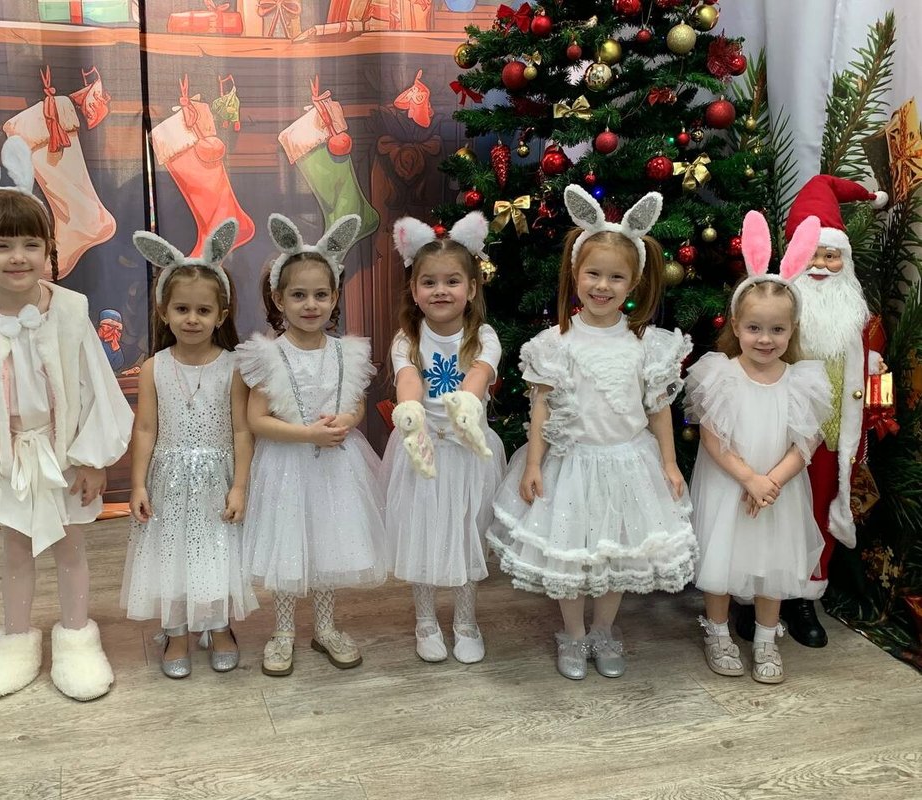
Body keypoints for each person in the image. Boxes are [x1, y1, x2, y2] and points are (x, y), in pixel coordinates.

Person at [0, 135, 132, 702]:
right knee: (16, 550)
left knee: (71, 547)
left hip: (63, 452)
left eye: (29, 244)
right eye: (1, 245)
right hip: (11, 456)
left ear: (48, 249)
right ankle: (15, 642)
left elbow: (95, 386)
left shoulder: (70, 311)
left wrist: (93, 458)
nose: (17, 257)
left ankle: (77, 638)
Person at [487, 185, 695, 681]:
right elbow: (541, 407)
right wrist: (533, 464)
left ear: (634, 282)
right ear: (575, 274)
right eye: (593, 274)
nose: (603, 286)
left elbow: (659, 410)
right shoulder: (554, 343)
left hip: (628, 464)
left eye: (616, 277)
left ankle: (603, 630)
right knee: (572, 557)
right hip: (571, 465)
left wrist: (669, 463)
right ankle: (574, 634)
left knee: (615, 554)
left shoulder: (647, 345)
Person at [737, 175, 890, 648]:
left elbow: (873, 373)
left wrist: (879, 399)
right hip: (776, 433)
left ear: (846, 261)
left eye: (832, 256)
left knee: (818, 513)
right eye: (816, 255)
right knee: (766, 510)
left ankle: (804, 596)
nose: (822, 265)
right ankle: (754, 595)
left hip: (829, 438)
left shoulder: (859, 318)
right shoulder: (780, 311)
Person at [237, 213, 385, 677]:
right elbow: (256, 420)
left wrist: (347, 420)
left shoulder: (347, 352)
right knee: (288, 547)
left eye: (321, 294)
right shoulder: (268, 355)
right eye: (298, 295)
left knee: (328, 546)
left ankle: (325, 626)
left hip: (336, 467)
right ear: (279, 299)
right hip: (286, 467)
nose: (310, 304)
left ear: (335, 297)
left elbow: (356, 404)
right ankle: (283, 631)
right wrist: (309, 434)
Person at [688, 211, 832, 684]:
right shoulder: (719, 375)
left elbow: (806, 441)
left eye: (777, 330)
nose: (765, 339)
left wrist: (771, 482)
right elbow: (712, 437)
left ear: (792, 330)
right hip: (730, 483)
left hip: (777, 490)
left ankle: (767, 639)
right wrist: (749, 478)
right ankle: (717, 631)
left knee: (774, 560)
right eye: (754, 328)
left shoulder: (802, 381)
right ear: (736, 324)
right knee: (721, 557)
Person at [121, 220, 258, 678]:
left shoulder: (234, 367)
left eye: (203, 310)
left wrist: (240, 486)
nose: (192, 319)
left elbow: (242, 431)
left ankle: (218, 626)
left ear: (221, 314)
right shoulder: (154, 367)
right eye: (182, 309)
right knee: (171, 556)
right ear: (164, 311)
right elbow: (145, 429)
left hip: (218, 479)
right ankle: (176, 631)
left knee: (215, 554)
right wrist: (138, 484)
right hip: (168, 481)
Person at [382, 212, 507, 664]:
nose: (440, 291)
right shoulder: (407, 338)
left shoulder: (483, 335)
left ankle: (466, 621)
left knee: (465, 532)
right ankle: (425, 620)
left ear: (471, 288)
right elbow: (409, 380)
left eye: (452, 281)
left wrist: (467, 404)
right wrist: (410, 410)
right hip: (423, 449)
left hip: (469, 452)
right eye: (429, 282)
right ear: (414, 291)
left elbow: (479, 375)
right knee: (423, 532)